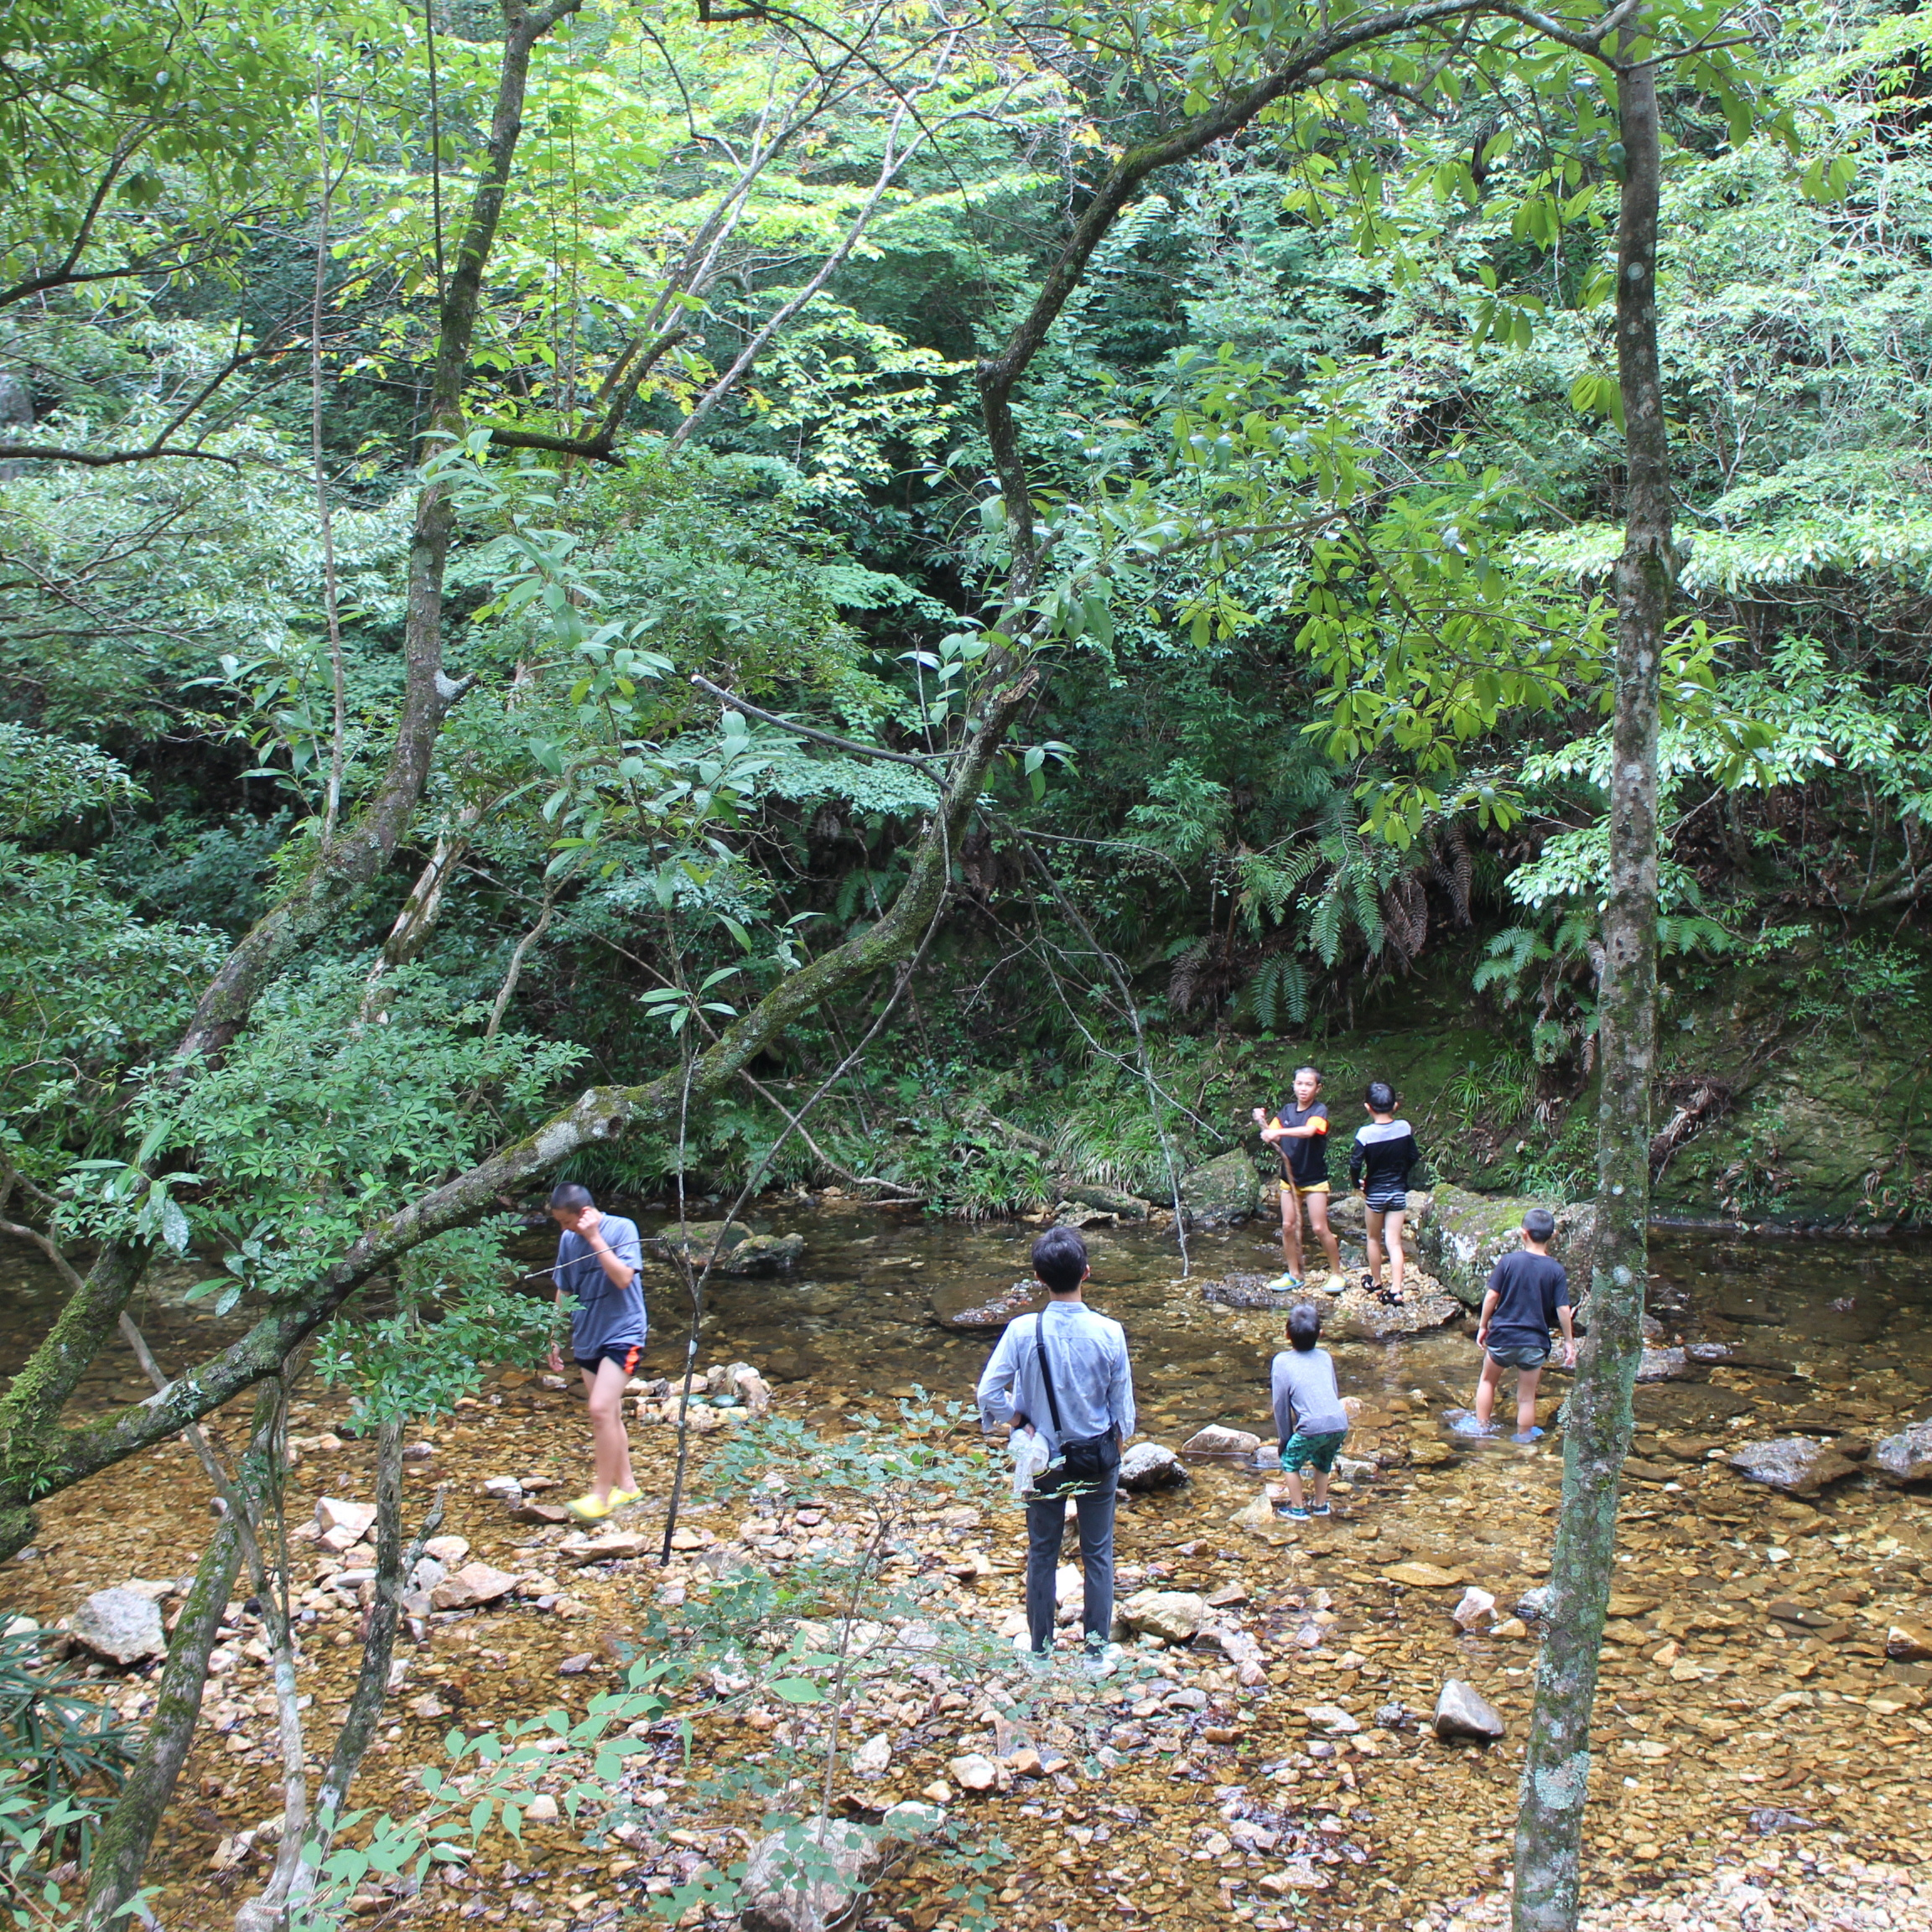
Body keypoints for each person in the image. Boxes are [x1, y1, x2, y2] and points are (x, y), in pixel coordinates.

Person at [974, 1227, 1135, 1663]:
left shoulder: (1022, 1330)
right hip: (1096, 1456)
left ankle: (1041, 1652)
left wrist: (1019, 1420)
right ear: (1087, 1272)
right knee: (1098, 1553)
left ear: (1039, 1278)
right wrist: (1115, 1448)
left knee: (1042, 1551)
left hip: (1041, 1456)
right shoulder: (1110, 1332)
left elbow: (987, 1392)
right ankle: (1096, 1655)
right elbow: (1124, 1413)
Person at [544, 1181, 647, 1522]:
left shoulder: (621, 1228)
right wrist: (554, 1334)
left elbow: (622, 1278)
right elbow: (564, 1289)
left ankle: (600, 1495)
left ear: (585, 1213)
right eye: (560, 1223)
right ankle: (628, 1487)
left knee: (600, 1409)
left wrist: (593, 1238)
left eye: (567, 1221)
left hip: (625, 1334)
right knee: (610, 1414)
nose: (564, 1229)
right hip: (587, 1337)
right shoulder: (567, 1240)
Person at [1472, 1205, 1576, 1443]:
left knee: (1488, 1381)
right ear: (1553, 1236)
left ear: (1523, 1233)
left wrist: (1483, 1326)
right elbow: (1563, 1309)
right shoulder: (1556, 1270)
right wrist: (1569, 1342)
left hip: (1502, 1338)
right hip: (1535, 1342)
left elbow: (1491, 1296)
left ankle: (1481, 1431)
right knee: (1527, 1397)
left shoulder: (1509, 1261)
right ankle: (1523, 1441)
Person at [1252, 1066, 1346, 1295]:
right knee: (1287, 1226)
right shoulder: (1286, 1111)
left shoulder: (1319, 1110)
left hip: (1314, 1180)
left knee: (1319, 1227)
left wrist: (1278, 1133)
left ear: (1318, 1088)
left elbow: (1309, 1131)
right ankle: (1294, 1274)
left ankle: (1337, 1274)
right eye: (1299, 1084)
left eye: (1309, 1084)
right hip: (1289, 1181)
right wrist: (1261, 1121)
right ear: (1293, 1085)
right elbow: (1269, 1134)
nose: (1303, 1088)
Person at [1270, 1301, 1351, 1521]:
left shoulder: (1282, 1362)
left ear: (1287, 1335)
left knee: (1290, 1461)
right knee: (1323, 1461)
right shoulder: (1325, 1357)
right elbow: (1333, 1392)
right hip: (1339, 1422)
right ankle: (1320, 1505)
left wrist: (1284, 1439)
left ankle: (1297, 1509)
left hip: (1312, 1426)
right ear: (1321, 1334)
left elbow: (1280, 1405)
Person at [1348, 1081, 1420, 1300]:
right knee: (1394, 1241)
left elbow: (1355, 1163)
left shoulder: (1365, 1134)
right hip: (1397, 1191)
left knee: (1372, 1238)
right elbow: (1413, 1156)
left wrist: (1356, 1183)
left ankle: (1377, 1282)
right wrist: (1402, 1174)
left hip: (1375, 1193)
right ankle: (1397, 1290)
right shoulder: (1404, 1128)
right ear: (1395, 1106)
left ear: (1368, 1107)